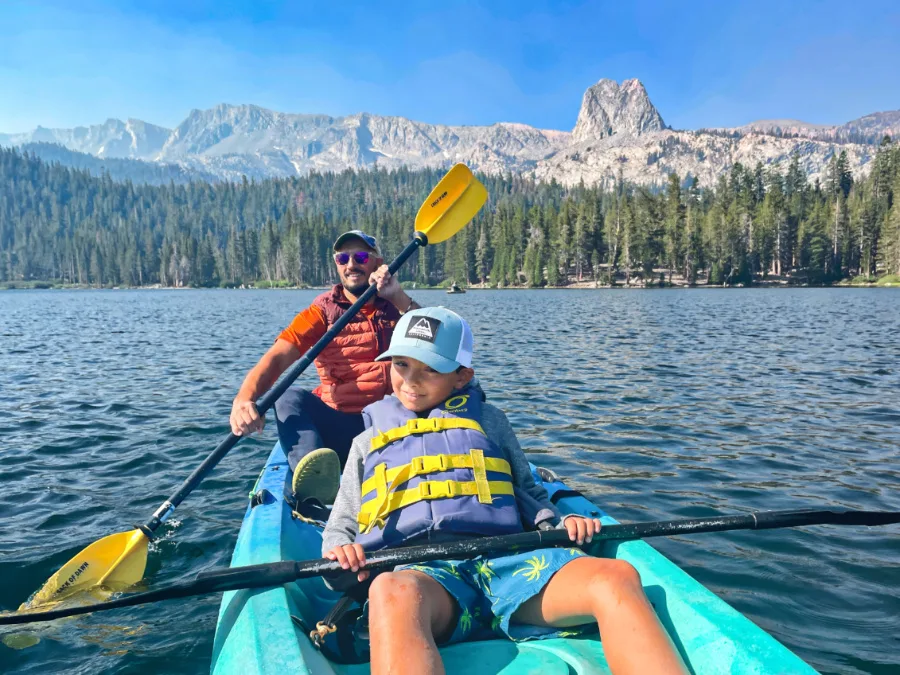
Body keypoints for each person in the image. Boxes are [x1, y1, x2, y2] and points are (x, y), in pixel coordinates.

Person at [320, 307, 688, 675]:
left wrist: (563, 522)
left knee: (616, 577)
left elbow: (527, 491)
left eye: (429, 369)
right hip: (425, 577)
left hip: (510, 564)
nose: (410, 381)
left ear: (462, 376)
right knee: (390, 591)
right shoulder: (366, 443)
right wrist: (340, 550)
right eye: (401, 365)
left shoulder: (491, 421)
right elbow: (342, 523)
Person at [229, 230, 420, 502]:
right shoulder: (323, 310)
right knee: (288, 396)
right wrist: (244, 398)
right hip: (339, 424)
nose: (351, 264)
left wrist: (398, 297)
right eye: (343, 258)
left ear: (378, 263)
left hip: (389, 423)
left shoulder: (397, 307)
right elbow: (279, 355)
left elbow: (435, 343)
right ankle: (317, 489)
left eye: (361, 257)